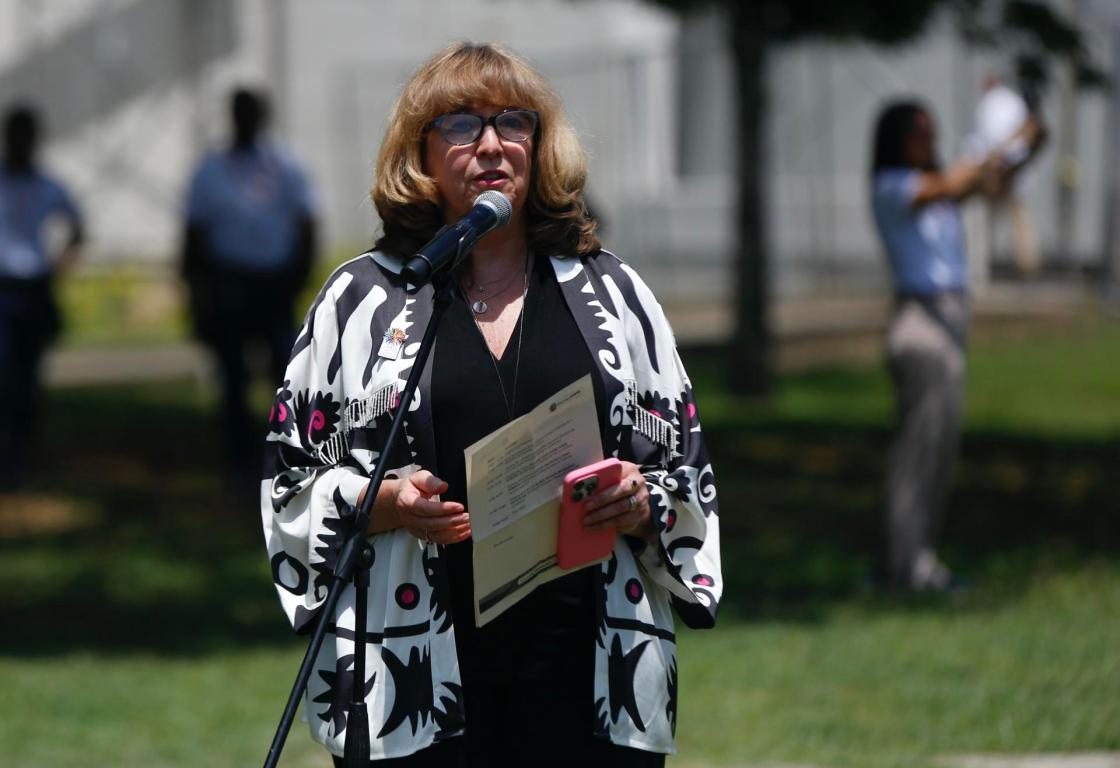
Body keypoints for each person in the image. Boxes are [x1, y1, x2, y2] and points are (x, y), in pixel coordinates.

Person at [261, 42, 721, 765]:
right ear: (420, 152)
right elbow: (289, 483)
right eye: (459, 125)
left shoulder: (615, 294)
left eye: (513, 122)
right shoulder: (359, 302)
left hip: (589, 661)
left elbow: (682, 468)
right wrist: (385, 501)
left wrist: (638, 499)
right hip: (413, 674)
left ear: (539, 145)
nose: (491, 144)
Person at [870, 100, 1045, 591]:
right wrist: (1011, 140)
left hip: (946, 322)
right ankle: (907, 566)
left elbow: (990, 184)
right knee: (919, 453)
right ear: (897, 140)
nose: (928, 140)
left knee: (936, 452)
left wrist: (1029, 148)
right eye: (917, 133)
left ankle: (908, 560)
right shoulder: (895, 186)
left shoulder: (936, 189)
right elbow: (952, 182)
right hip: (921, 323)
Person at [182, 87, 317, 480]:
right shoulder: (211, 168)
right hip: (230, 282)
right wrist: (197, 292)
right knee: (233, 374)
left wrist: (298, 277)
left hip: (275, 284)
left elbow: (306, 221)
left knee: (285, 371)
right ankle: (238, 457)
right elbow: (194, 232)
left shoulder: (286, 165)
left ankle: (290, 451)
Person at [0, 104, 83, 490]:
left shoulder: (48, 185)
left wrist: (59, 264)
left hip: (31, 288)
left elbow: (77, 225)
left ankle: (22, 452)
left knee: (27, 375)